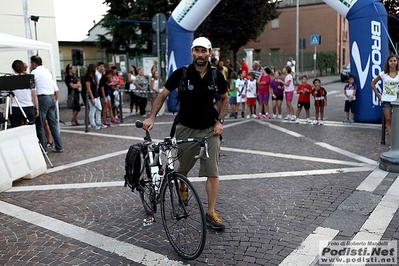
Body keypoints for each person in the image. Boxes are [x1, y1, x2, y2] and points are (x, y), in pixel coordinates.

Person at [143, 37, 229, 231]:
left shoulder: (216, 76)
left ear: (209, 53)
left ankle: (211, 213)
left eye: (203, 51)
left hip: (209, 130)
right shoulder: (181, 73)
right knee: (183, 168)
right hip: (185, 127)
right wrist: (152, 118)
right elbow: (162, 95)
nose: (200, 54)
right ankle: (183, 186)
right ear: (192, 52)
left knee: (212, 172)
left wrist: (219, 121)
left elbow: (224, 98)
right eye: (197, 50)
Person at [30, 55, 63, 153]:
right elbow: (55, 88)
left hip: (42, 98)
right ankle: (59, 146)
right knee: (53, 124)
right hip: (51, 97)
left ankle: (44, 148)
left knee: (40, 123)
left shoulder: (34, 72)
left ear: (34, 63)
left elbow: (32, 88)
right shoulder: (47, 71)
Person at [371, 55, 399, 138]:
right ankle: (393, 143)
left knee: (396, 122)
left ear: (397, 62)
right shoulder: (383, 74)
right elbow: (373, 83)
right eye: (391, 61)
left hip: (396, 101)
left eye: (394, 61)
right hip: (386, 100)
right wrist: (378, 95)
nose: (393, 63)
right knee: (388, 121)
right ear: (388, 62)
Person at [10, 59, 38, 127]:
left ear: (13, 68)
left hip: (15, 106)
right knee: (31, 130)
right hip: (28, 106)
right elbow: (34, 95)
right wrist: (37, 108)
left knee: (16, 129)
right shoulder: (30, 79)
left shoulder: (11, 79)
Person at [84, 63, 105, 130]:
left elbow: (98, 84)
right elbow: (88, 88)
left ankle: (98, 122)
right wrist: (92, 97)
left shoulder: (94, 77)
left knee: (99, 108)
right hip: (92, 96)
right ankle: (93, 124)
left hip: (96, 95)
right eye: (95, 68)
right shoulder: (88, 78)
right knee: (93, 109)